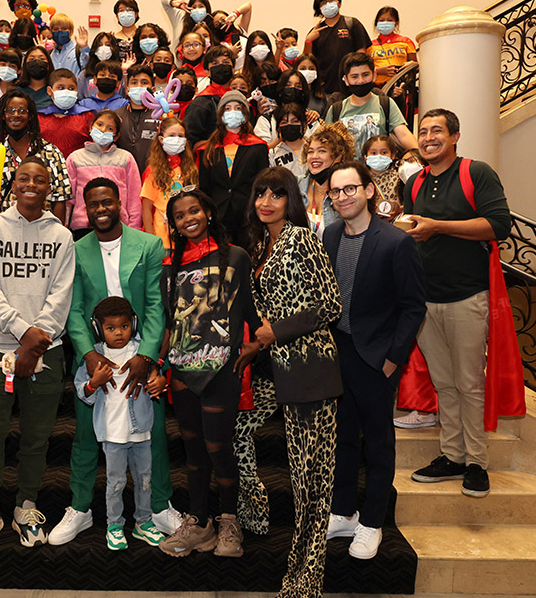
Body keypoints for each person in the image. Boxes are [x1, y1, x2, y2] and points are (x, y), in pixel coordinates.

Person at [49, 178, 182, 545]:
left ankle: (158, 506)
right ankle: (80, 508)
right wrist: (90, 355)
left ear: (119, 202)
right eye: (93, 204)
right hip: (96, 359)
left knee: (152, 434)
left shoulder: (148, 244)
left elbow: (155, 305)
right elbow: (74, 308)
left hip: (140, 354)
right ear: (85, 208)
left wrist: (147, 356)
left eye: (107, 202)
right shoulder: (76, 249)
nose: (101, 209)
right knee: (86, 435)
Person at [0, 157, 76, 550]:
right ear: (12, 185)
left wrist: (36, 341)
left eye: (39, 180)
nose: (31, 184)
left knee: (37, 437)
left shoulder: (61, 237)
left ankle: (26, 507)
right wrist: (23, 333)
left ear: (49, 188)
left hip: (47, 350)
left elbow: (61, 294)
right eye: (24, 178)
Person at [244, 166, 342, 598]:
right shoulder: (258, 245)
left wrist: (276, 331)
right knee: (237, 430)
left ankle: (306, 576)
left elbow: (331, 304)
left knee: (310, 480)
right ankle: (254, 509)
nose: (266, 202)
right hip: (271, 368)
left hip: (308, 366)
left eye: (276, 194)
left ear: (291, 200)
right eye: (260, 194)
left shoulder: (302, 238)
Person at [405, 108, 513, 498]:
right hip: (425, 299)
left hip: (468, 295)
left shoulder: (476, 172)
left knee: (468, 383)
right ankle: (452, 455)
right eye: (423, 131)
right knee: (444, 383)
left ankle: (476, 462)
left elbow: (499, 224)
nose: (428, 137)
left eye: (437, 131)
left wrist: (438, 227)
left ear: (455, 137)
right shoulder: (415, 182)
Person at [322, 161, 425, 560]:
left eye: (350, 188)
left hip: (376, 359)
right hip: (338, 353)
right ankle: (344, 511)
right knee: (343, 438)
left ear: (368, 191)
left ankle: (372, 523)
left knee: (378, 444)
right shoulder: (330, 235)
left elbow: (413, 307)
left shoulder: (396, 242)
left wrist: (392, 360)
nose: (342, 197)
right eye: (335, 191)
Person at [158, 188, 261, 559]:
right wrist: (159, 364)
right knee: (193, 451)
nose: (189, 219)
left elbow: (249, 310)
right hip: (182, 371)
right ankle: (199, 523)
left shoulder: (236, 256)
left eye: (194, 211)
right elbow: (169, 321)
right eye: (180, 215)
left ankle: (229, 521)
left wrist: (257, 343)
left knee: (218, 446)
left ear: (208, 212)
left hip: (221, 368)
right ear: (174, 224)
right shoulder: (169, 266)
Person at [72, 296, 166, 550]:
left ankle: (143, 522)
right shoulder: (95, 358)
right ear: (98, 329)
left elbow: (158, 375)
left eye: (124, 326)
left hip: (141, 431)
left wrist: (159, 382)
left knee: (145, 480)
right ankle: (114, 525)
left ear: (133, 324)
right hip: (112, 434)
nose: (118, 333)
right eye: (110, 328)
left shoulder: (142, 354)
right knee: (116, 483)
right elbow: (82, 392)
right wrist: (94, 382)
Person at [0, 89, 71, 224]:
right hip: (6, 231)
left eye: (22, 111)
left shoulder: (51, 153)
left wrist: (55, 232)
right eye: (10, 110)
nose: (16, 115)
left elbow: (60, 198)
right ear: (3, 115)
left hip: (44, 229)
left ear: (30, 116)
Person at [197, 90, 269, 246]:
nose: (233, 112)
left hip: (248, 216)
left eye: (238, 108)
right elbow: (204, 187)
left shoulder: (258, 146)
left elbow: (262, 184)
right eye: (228, 108)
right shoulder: (208, 149)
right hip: (218, 216)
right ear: (220, 115)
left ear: (245, 114)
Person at [326, 52, 418, 158]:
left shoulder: (386, 103)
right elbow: (327, 144)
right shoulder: (336, 110)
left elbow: (404, 135)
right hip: (347, 167)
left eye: (365, 75)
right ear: (346, 80)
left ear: (374, 75)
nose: (360, 81)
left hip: (379, 167)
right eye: (354, 77)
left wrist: (421, 157)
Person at [65, 110, 142, 234]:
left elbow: (134, 197)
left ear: (116, 136)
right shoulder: (75, 158)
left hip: (119, 225)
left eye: (110, 128)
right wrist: (64, 225)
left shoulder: (126, 158)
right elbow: (68, 199)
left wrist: (134, 228)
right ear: (91, 127)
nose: (103, 130)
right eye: (99, 124)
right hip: (83, 226)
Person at [140, 117, 199, 250]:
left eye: (180, 136)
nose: (176, 139)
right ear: (161, 139)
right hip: (162, 240)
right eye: (171, 135)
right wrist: (151, 239)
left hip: (187, 237)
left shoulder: (190, 169)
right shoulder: (153, 171)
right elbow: (146, 208)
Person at [303, 0, 371, 97]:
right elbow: (307, 61)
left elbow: (361, 55)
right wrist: (308, 41)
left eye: (331, 0)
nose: (328, 4)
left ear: (339, 3)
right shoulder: (316, 31)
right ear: (319, 7)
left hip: (351, 87)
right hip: (325, 90)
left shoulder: (352, 23)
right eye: (323, 2)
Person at [298, 123, 354, 238]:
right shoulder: (296, 187)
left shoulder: (348, 194)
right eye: (310, 152)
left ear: (338, 156)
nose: (314, 156)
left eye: (322, 151)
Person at [183, 45, 237, 147]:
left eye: (226, 63)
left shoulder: (239, 100)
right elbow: (189, 139)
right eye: (215, 63)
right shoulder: (201, 103)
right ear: (207, 72)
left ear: (233, 69)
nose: (221, 66)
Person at [37, 68, 96, 155]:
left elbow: (94, 145)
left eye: (71, 88)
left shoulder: (86, 115)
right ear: (49, 91)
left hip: (79, 162)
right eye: (60, 88)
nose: (66, 91)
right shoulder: (40, 117)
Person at [113, 63, 159, 173]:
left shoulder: (160, 115)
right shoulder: (115, 115)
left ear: (153, 89)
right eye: (134, 83)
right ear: (127, 89)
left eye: (144, 83)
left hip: (152, 175)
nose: (139, 86)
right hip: (121, 174)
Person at [368, 6, 417, 89]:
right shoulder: (370, 45)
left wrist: (411, 64)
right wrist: (378, 71)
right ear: (376, 23)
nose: (385, 23)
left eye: (389, 20)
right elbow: (364, 70)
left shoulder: (406, 41)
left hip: (400, 87)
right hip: (377, 88)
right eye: (382, 20)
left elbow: (415, 65)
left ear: (396, 23)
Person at [362, 135, 404, 221]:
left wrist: (400, 209)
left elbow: (410, 204)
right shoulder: (361, 179)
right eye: (374, 153)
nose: (379, 156)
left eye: (384, 152)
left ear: (393, 155)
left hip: (395, 224)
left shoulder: (401, 177)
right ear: (365, 157)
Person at [266, 102, 309, 178]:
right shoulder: (272, 154)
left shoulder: (312, 149)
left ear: (304, 125)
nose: (289, 124)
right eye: (284, 122)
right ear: (278, 127)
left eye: (295, 121)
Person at [78, 32, 122, 99]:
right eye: (100, 45)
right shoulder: (84, 75)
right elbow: (79, 98)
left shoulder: (120, 72)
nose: (103, 48)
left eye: (108, 45)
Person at [48, 12, 90, 76]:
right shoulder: (50, 54)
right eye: (56, 29)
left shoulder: (78, 51)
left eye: (64, 29)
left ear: (71, 31)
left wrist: (84, 48)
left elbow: (88, 66)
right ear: (51, 31)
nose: (60, 31)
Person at [17, 45, 54, 110]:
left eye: (42, 59)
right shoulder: (16, 91)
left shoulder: (55, 91)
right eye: (32, 59)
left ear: (49, 65)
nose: (37, 62)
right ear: (25, 65)